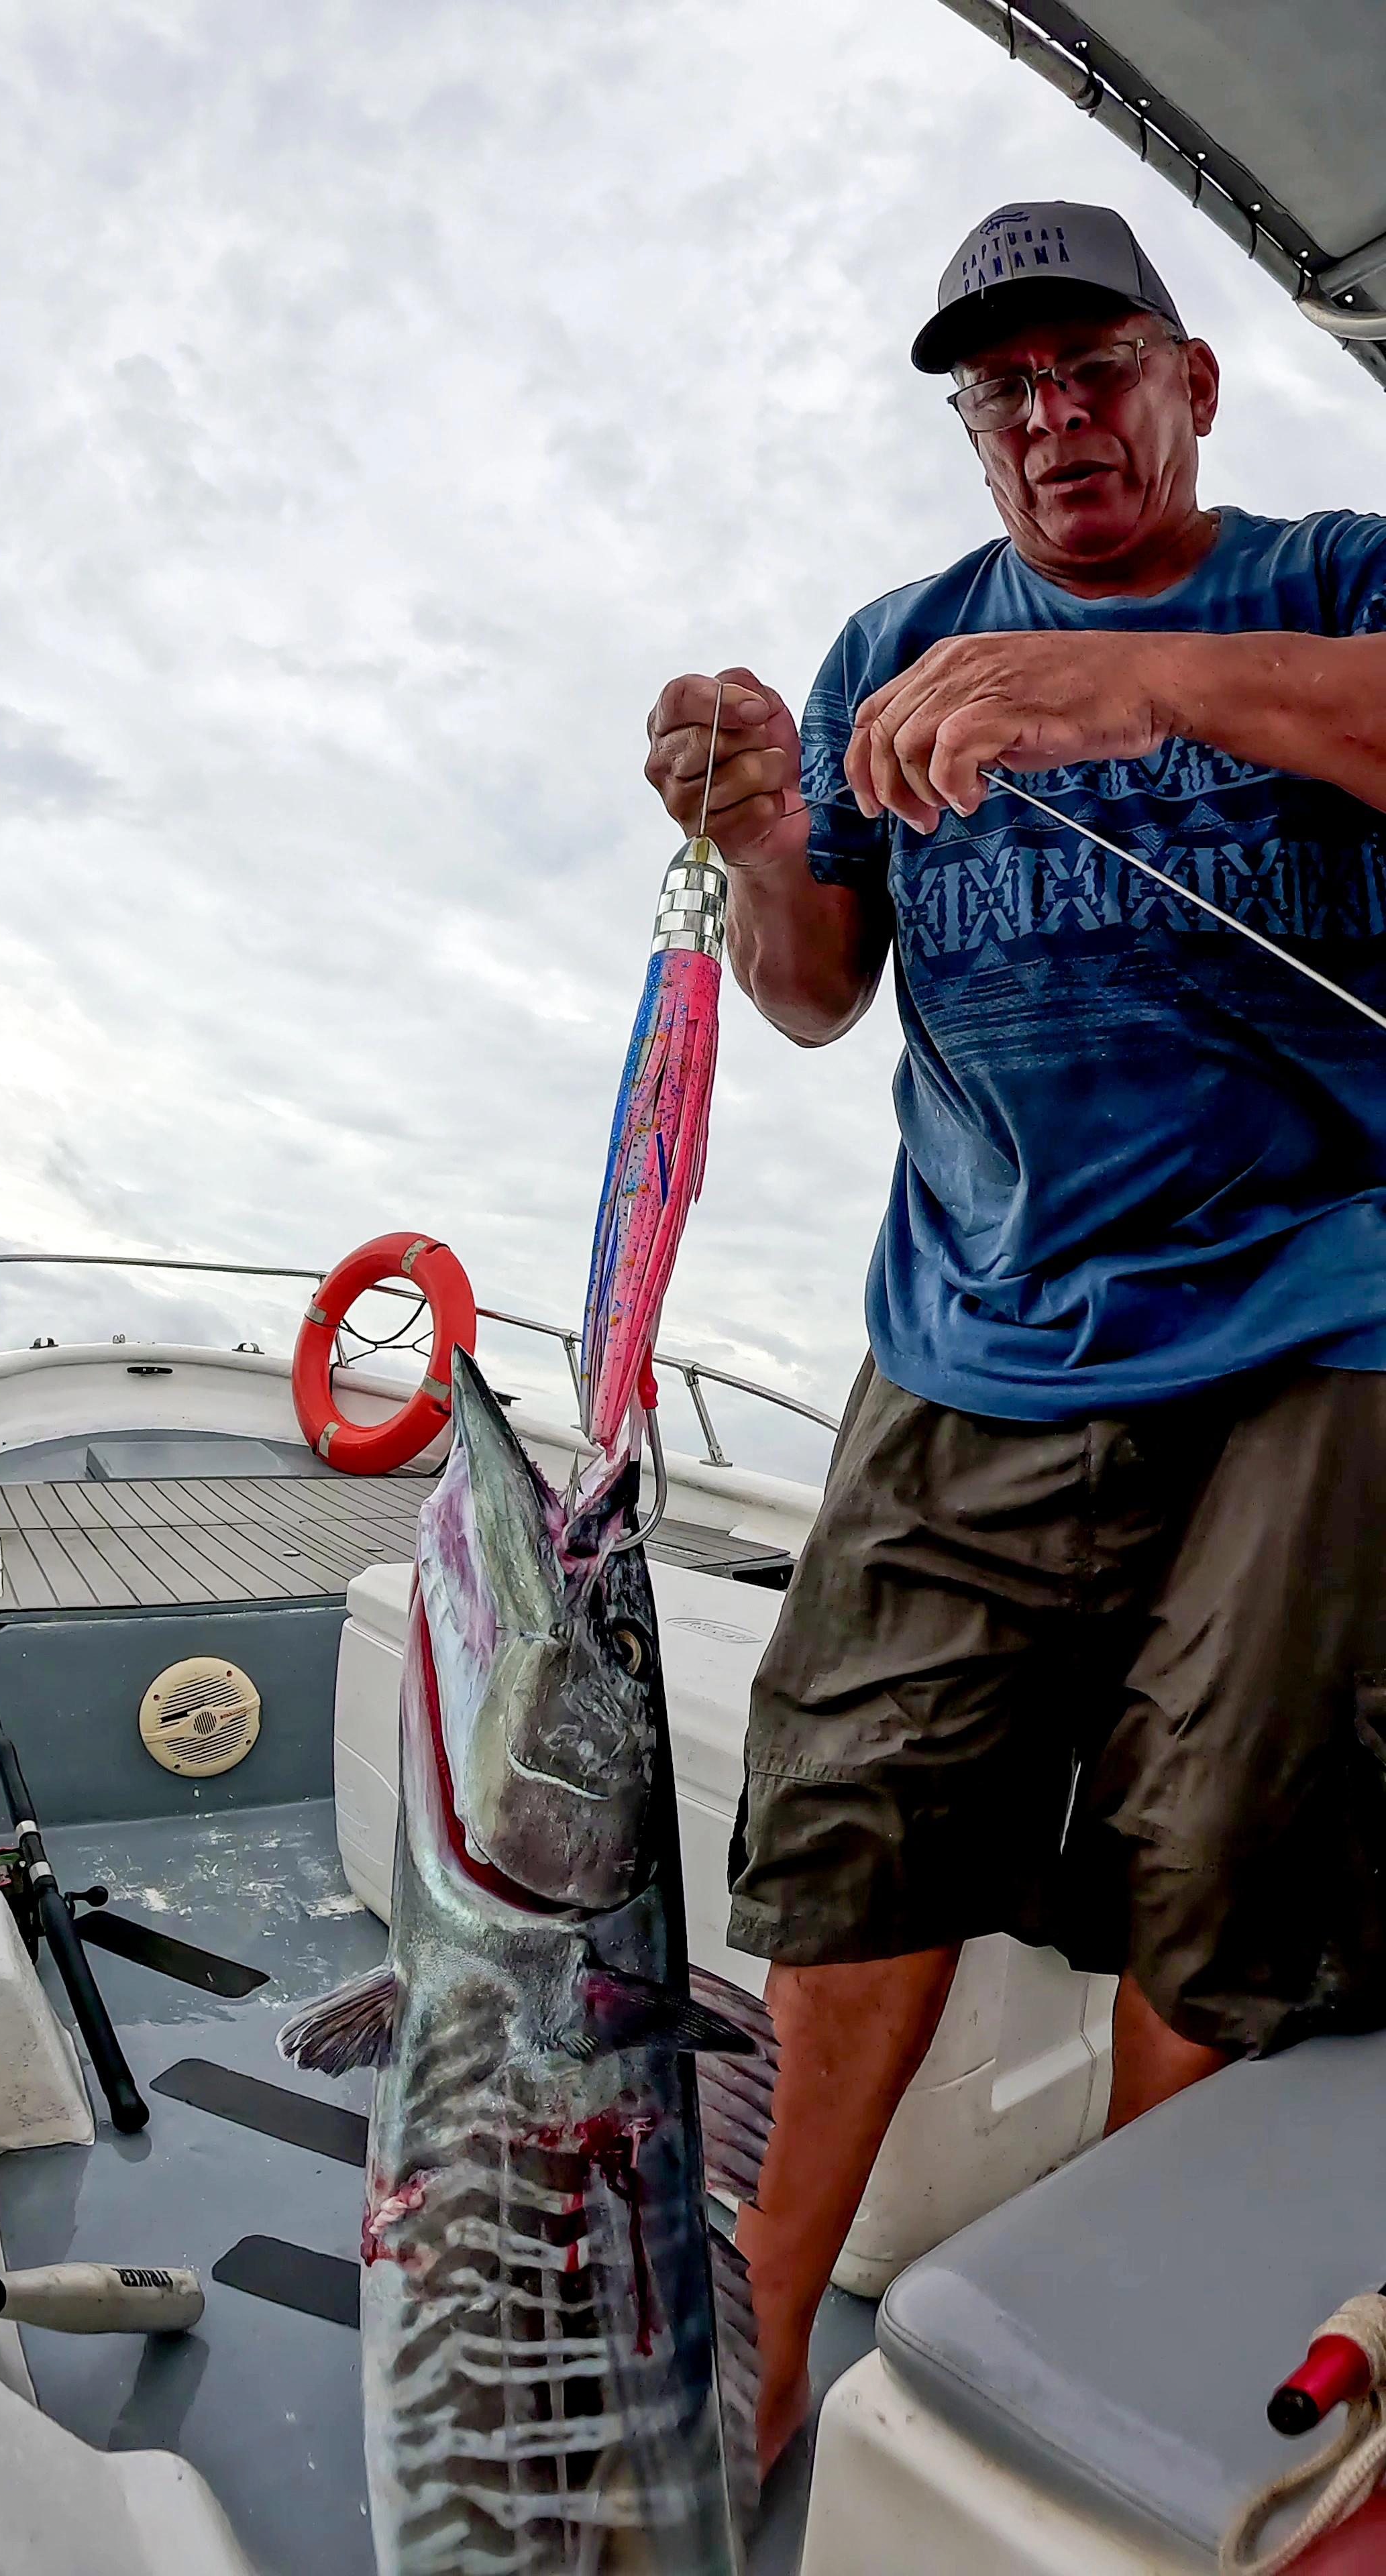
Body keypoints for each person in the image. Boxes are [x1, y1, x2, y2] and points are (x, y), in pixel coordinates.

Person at [644, 198, 1386, 2475]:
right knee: (861, 1795)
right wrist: (771, 832)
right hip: (982, 1314)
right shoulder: (896, 646)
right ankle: (757, 2346)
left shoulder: (1333, 577)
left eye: (1093, 374)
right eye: (1007, 396)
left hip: (1319, 1302)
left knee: (1222, 1823)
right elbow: (806, 988)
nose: (1053, 423)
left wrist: (1141, 680)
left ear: (1194, 386)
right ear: (974, 435)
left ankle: (1093, 2319)